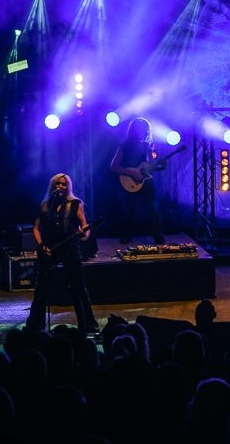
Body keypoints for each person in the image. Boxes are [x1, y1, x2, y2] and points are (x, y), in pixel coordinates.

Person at [24, 173, 99, 335]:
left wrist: (84, 234)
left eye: (64, 184)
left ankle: (87, 325)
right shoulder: (45, 205)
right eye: (58, 184)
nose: (60, 187)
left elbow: (85, 227)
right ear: (52, 186)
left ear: (68, 187)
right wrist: (41, 245)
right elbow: (36, 228)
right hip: (49, 250)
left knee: (78, 288)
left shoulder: (75, 204)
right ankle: (35, 325)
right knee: (41, 287)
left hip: (70, 249)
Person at [110, 116, 166, 244]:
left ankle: (158, 236)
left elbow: (149, 167)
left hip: (145, 183)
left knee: (153, 210)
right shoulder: (124, 146)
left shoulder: (147, 146)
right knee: (129, 211)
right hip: (129, 182)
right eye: (144, 130)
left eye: (147, 130)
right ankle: (127, 235)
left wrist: (160, 167)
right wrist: (131, 172)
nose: (146, 132)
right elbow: (113, 167)